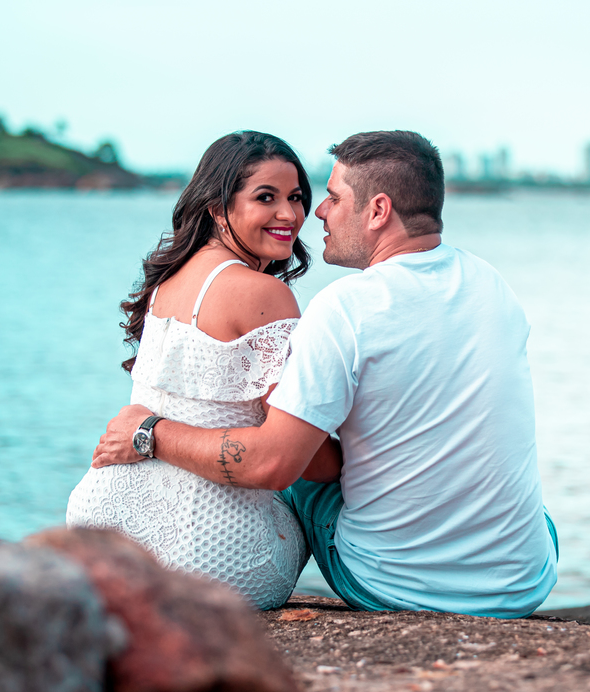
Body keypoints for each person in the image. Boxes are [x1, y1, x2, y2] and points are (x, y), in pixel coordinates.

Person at [93, 130, 558, 618]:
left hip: (390, 587)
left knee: (295, 453)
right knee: (529, 509)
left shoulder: (345, 307)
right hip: (524, 581)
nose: (313, 213)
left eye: (331, 198)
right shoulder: (493, 285)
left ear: (377, 211)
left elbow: (275, 466)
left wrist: (149, 433)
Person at [67, 131, 340, 610]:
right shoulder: (263, 294)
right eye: (266, 197)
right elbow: (307, 463)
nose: (289, 214)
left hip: (101, 530)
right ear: (217, 207)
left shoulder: (167, 278)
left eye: (296, 197)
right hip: (213, 554)